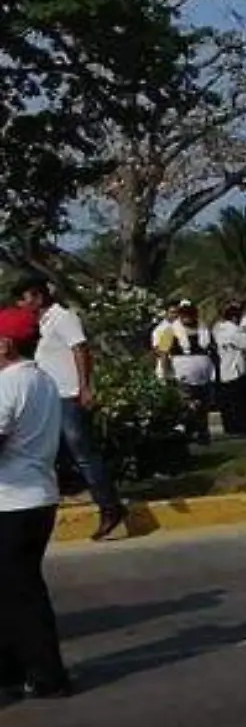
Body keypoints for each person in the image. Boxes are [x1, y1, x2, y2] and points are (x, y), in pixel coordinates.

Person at [12, 278, 125, 541]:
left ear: (38, 297)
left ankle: (110, 507)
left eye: (24, 297)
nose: (21, 304)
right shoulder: (42, 324)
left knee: (83, 452)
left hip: (69, 394)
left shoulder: (63, 317)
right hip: (51, 397)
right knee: (57, 452)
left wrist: (85, 387)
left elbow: (81, 349)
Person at [0, 306, 74, 698]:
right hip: (37, 496)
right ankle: (13, 667)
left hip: (13, 501)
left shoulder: (8, 384)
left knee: (22, 592)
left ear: (5, 343)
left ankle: (48, 675)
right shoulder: (42, 379)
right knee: (14, 589)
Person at [167, 301, 217, 444]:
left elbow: (213, 350)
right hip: (183, 374)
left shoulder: (204, 329)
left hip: (204, 374)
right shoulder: (171, 331)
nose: (188, 317)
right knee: (188, 404)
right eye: (184, 314)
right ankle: (186, 431)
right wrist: (166, 373)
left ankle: (203, 433)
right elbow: (163, 352)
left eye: (190, 314)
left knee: (204, 405)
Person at [213, 301, 246, 436]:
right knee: (238, 402)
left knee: (230, 402)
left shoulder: (218, 328)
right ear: (234, 317)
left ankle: (231, 427)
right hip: (235, 370)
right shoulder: (232, 330)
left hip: (226, 368)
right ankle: (239, 428)